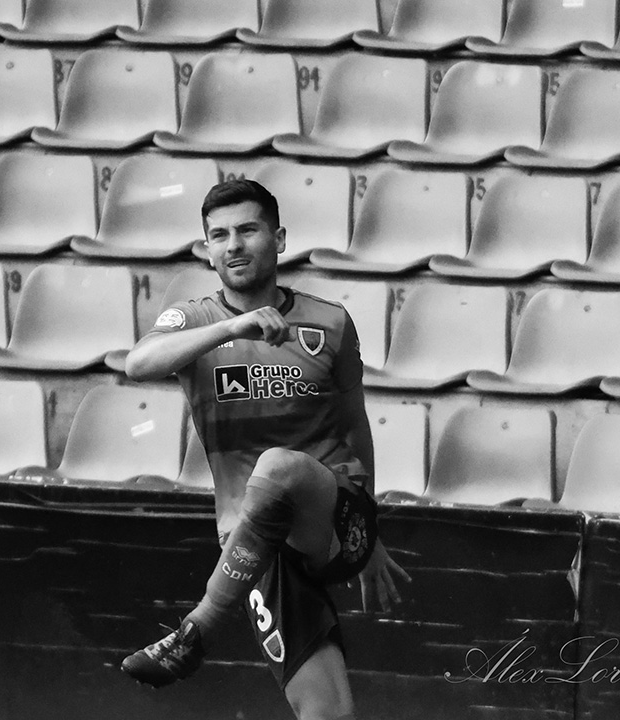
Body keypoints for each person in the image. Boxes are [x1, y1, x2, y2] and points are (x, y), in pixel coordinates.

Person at [120, 179, 411, 720]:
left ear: (278, 239)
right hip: (252, 545)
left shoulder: (329, 322)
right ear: (207, 250)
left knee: (277, 467)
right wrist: (234, 327)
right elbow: (138, 364)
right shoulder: (194, 321)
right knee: (327, 712)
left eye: (248, 230)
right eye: (219, 235)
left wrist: (368, 528)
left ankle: (198, 630)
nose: (233, 244)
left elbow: (355, 425)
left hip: (330, 517)